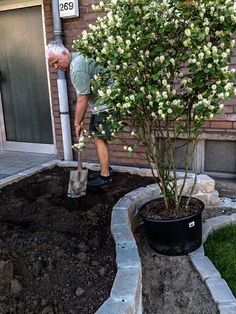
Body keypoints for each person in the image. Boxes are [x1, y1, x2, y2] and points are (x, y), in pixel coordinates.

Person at [46, 41, 113, 187]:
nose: (56, 67)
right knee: (98, 137)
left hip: (106, 103)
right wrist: (80, 119)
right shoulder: (78, 57)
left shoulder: (76, 68)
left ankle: (105, 176)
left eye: (57, 62)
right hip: (102, 102)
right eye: (53, 65)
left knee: (99, 137)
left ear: (65, 54)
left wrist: (77, 122)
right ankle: (105, 169)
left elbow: (83, 98)